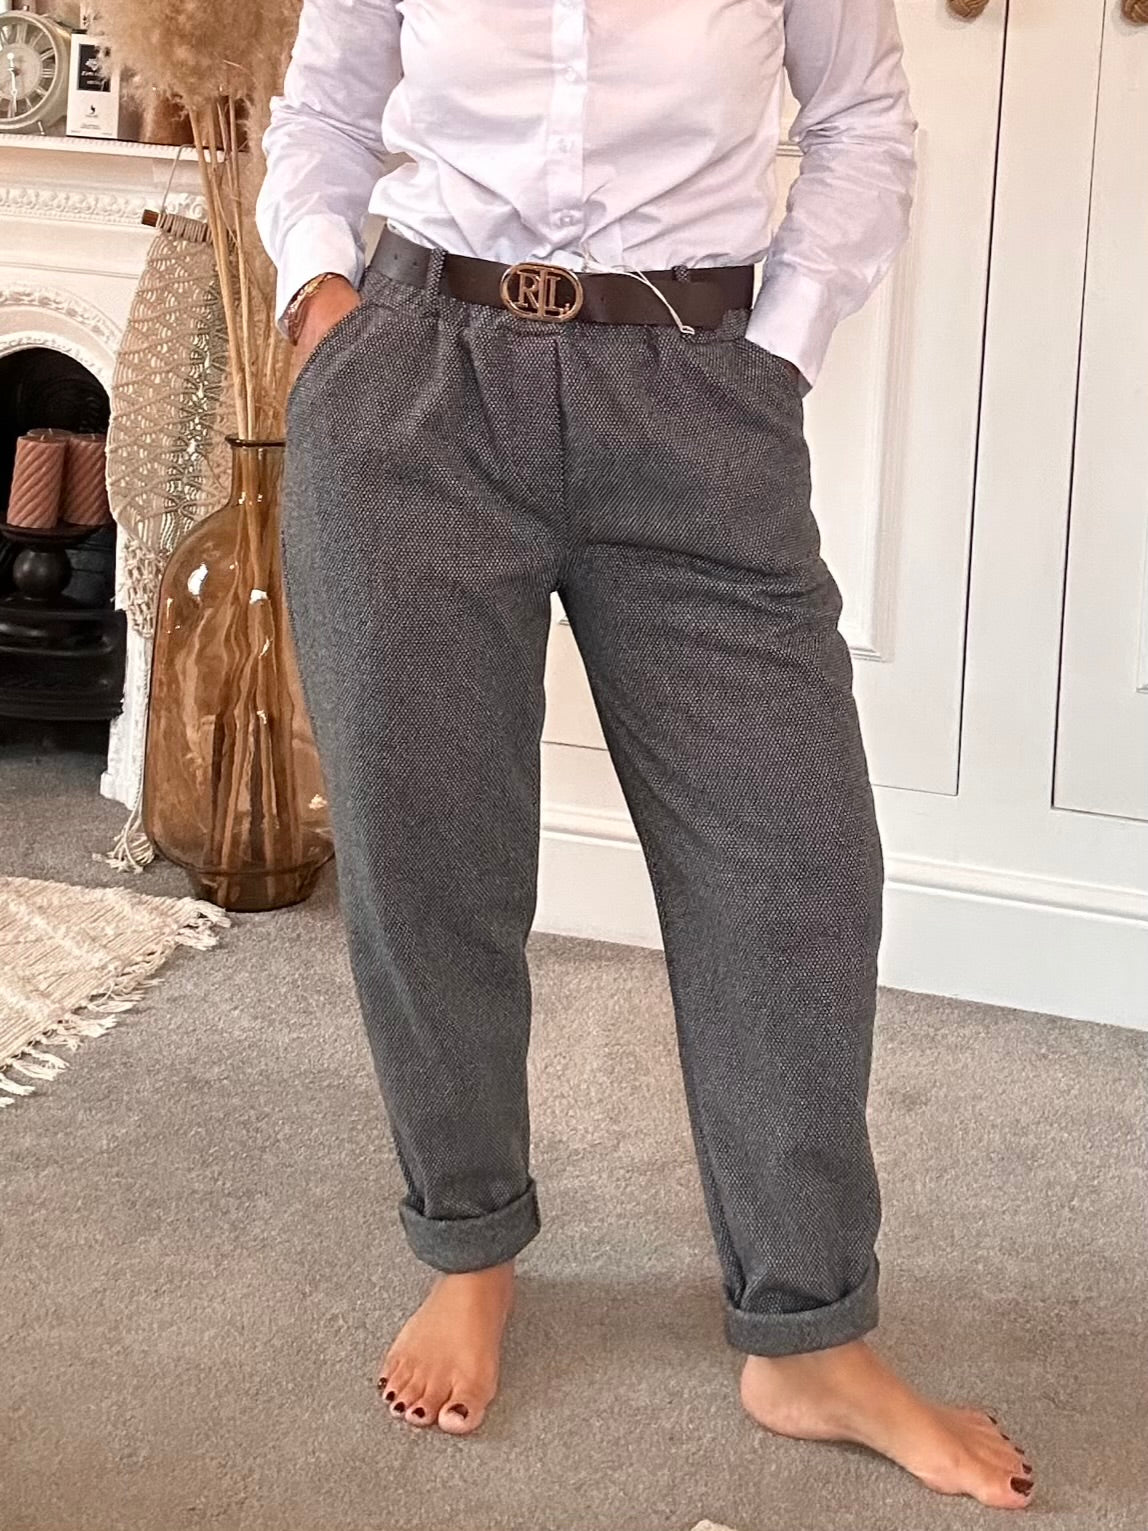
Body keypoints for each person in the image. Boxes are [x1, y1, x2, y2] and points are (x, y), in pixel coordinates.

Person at [255, 0, 1035, 1509]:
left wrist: (780, 350)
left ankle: (809, 1337)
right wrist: (321, 301)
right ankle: (470, 1248)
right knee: (429, 862)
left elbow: (862, 124)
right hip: (416, 387)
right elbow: (327, 110)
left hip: (695, 394)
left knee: (792, 875)